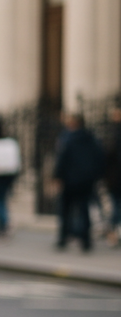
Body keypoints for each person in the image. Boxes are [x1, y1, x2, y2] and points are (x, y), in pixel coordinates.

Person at [53, 112, 104, 252]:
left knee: (66, 211)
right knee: (84, 211)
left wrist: (58, 177)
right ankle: (85, 240)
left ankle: (64, 238)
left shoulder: (67, 139)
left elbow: (62, 160)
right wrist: (95, 176)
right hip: (86, 181)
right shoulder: (92, 139)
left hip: (70, 181)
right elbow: (100, 159)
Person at [105, 105, 121, 247]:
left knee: (116, 206)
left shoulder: (114, 136)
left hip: (115, 178)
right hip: (115, 178)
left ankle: (113, 232)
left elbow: (109, 157)